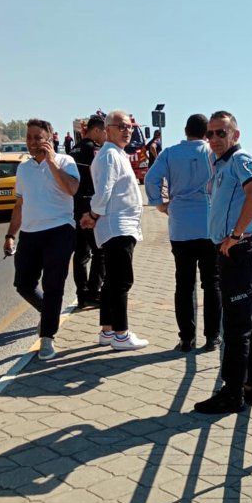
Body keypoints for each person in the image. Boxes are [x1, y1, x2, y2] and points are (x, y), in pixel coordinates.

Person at [194, 111, 252, 415]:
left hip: (239, 252)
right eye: (209, 134)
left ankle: (232, 393)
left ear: (235, 135)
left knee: (236, 327)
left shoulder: (239, 158)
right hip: (232, 252)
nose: (214, 139)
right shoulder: (221, 163)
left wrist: (235, 235)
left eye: (220, 133)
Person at [3, 119, 80, 361]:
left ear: (49, 138)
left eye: (38, 137)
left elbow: (72, 189)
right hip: (30, 233)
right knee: (23, 283)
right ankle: (48, 312)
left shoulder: (66, 161)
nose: (32, 142)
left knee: (53, 285)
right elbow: (19, 204)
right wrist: (10, 235)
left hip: (59, 230)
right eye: (29, 137)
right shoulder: (23, 169)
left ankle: (47, 337)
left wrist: (52, 162)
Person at [145, 114, 221, 352]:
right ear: (207, 132)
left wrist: (159, 203)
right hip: (210, 225)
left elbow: (150, 178)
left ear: (185, 130)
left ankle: (186, 338)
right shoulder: (212, 153)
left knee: (184, 284)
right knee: (212, 283)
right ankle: (212, 337)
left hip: (180, 225)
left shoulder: (170, 153)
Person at [80, 110, 148, 351]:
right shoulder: (109, 155)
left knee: (112, 280)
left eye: (129, 126)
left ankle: (108, 330)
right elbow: (104, 192)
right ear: (107, 129)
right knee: (122, 280)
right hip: (117, 225)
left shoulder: (116, 154)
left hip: (120, 225)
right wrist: (93, 215)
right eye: (121, 126)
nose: (127, 130)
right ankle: (121, 334)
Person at [70, 114, 106, 309]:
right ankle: (93, 292)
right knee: (100, 252)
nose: (106, 136)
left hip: (74, 205)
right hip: (89, 205)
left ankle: (82, 295)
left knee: (81, 254)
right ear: (96, 130)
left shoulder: (73, 149)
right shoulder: (93, 150)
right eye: (104, 131)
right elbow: (97, 179)